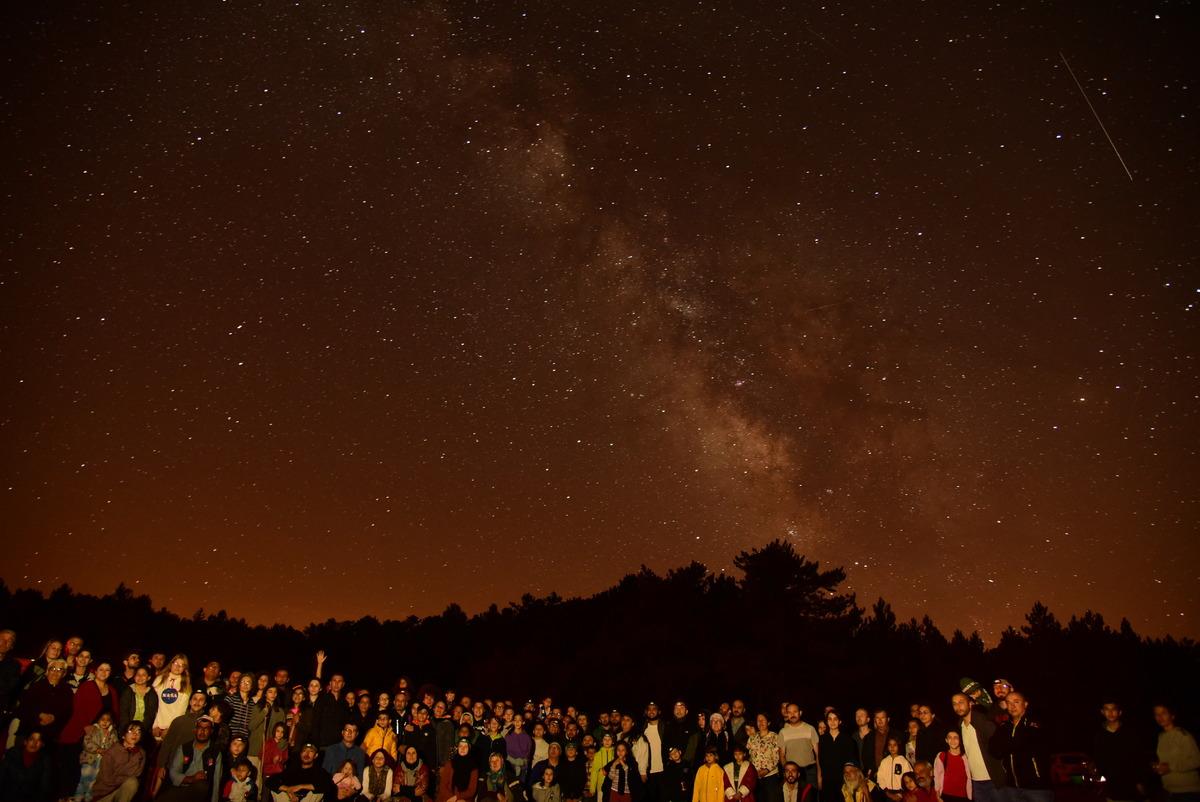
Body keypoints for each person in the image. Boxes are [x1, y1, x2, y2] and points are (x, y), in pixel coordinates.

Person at [985, 692, 1049, 802]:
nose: (1012, 706)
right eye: (1008, 703)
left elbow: (1025, 744)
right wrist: (1008, 744)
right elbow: (993, 750)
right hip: (1011, 788)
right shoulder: (1004, 726)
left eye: (1016, 702)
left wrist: (1006, 744)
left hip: (1037, 789)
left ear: (1025, 704)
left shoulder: (1034, 723)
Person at [951, 694, 1004, 802]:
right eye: (954, 704)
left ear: (970, 704)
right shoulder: (960, 725)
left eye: (961, 702)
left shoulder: (983, 721)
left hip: (993, 781)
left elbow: (1000, 747)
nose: (958, 706)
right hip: (975, 782)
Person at [160, 716, 223, 802]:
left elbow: (216, 782)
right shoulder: (184, 748)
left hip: (201, 792)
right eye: (200, 727)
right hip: (182, 788)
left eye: (206, 728)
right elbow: (173, 773)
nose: (202, 731)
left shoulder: (215, 753)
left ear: (211, 731)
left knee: (201, 785)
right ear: (195, 730)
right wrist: (192, 778)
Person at [1092, 700, 1144, 802]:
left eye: (1114, 709)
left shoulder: (1130, 733)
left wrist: (1140, 781)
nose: (1110, 713)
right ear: (1102, 712)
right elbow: (1099, 760)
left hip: (1130, 787)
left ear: (1120, 712)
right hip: (1110, 788)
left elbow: (1138, 758)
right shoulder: (1099, 736)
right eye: (1107, 709)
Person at [1152, 703, 1200, 802]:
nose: (1160, 717)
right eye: (1157, 714)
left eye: (1163, 713)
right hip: (1169, 791)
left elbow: (1197, 760)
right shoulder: (1161, 736)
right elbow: (1166, 761)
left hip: (1187, 792)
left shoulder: (1183, 735)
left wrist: (1170, 767)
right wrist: (1157, 767)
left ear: (1172, 715)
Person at [90, 721, 147, 802]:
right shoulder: (112, 751)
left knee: (132, 782)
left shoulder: (141, 753)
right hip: (105, 792)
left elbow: (137, 773)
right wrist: (124, 777)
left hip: (122, 790)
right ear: (123, 735)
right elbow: (107, 779)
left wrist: (135, 752)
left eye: (138, 731)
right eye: (131, 731)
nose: (135, 734)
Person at [267, 741, 337, 801]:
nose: (307, 754)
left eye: (311, 751)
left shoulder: (320, 771)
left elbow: (328, 785)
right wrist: (288, 789)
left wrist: (301, 786)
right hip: (289, 799)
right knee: (275, 790)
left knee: (319, 792)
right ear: (300, 754)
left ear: (315, 755)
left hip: (307, 799)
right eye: (304, 751)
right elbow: (270, 781)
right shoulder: (291, 770)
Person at [75, 709, 120, 801]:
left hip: (102, 761)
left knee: (95, 779)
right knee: (85, 777)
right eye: (102, 719)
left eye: (108, 720)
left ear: (111, 722)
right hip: (89, 759)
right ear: (98, 719)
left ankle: (89, 796)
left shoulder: (113, 733)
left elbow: (115, 747)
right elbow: (86, 743)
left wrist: (107, 750)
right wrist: (97, 749)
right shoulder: (92, 729)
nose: (105, 722)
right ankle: (78, 795)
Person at [0, 728, 54, 802]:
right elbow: (1, 775)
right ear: (25, 742)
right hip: (6, 796)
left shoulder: (45, 760)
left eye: (38, 741)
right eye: (32, 739)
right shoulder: (13, 752)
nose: (34, 743)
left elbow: (44, 787)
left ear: (42, 745)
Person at [818, 712, 859, 802]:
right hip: (827, 780)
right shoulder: (821, 739)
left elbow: (852, 762)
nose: (832, 722)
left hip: (843, 780)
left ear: (840, 721)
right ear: (827, 721)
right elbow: (819, 760)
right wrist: (819, 777)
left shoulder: (848, 740)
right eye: (830, 719)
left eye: (835, 719)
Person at [153, 655, 194, 741]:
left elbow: (181, 711)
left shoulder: (186, 685)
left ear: (184, 668)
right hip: (156, 728)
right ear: (171, 664)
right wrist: (155, 725)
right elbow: (154, 705)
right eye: (176, 663)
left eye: (181, 665)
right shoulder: (159, 679)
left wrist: (170, 729)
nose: (178, 666)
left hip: (172, 729)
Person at [779, 706, 819, 787]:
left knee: (812, 797)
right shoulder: (783, 732)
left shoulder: (810, 728)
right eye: (789, 712)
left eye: (795, 712)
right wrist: (787, 772)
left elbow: (818, 754)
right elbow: (782, 756)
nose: (792, 714)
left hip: (810, 771)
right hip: (792, 772)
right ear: (787, 714)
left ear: (800, 712)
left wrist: (819, 774)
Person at [749, 715, 782, 802]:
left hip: (771, 775)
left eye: (763, 720)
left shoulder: (775, 737)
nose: (760, 722)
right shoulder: (752, 738)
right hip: (756, 777)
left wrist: (767, 770)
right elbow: (749, 757)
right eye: (758, 720)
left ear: (768, 722)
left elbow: (777, 756)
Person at [859, 713, 899, 784]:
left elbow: (900, 755)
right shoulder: (869, 737)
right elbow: (865, 756)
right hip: (873, 776)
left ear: (888, 719)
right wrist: (872, 770)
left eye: (882, 717)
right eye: (877, 718)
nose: (880, 720)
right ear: (874, 720)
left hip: (893, 776)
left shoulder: (897, 734)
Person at [119, 665, 159, 731]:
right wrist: (127, 729)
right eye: (138, 674)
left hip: (144, 729)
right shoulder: (128, 691)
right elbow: (124, 713)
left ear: (148, 677)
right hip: (128, 728)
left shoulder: (152, 693)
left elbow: (150, 715)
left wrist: (141, 729)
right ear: (134, 677)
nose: (140, 677)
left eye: (143, 675)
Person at [932, 733, 969, 802]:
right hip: (946, 795)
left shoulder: (966, 757)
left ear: (960, 739)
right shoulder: (942, 756)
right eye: (950, 738)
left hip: (963, 796)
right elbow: (937, 776)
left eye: (956, 737)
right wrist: (937, 794)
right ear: (946, 740)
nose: (952, 740)